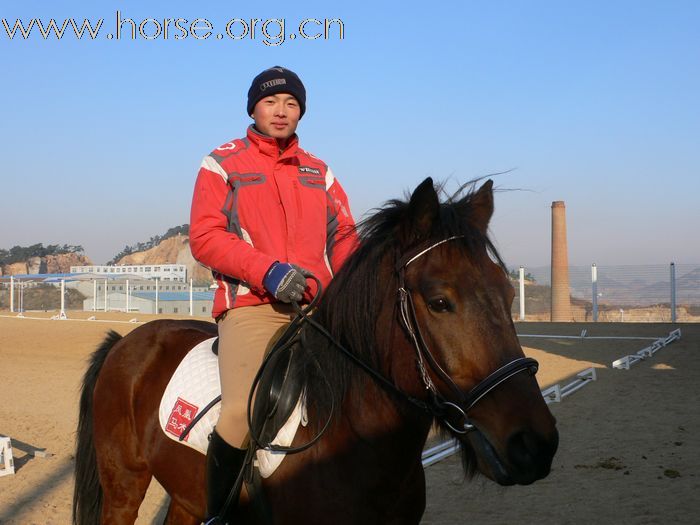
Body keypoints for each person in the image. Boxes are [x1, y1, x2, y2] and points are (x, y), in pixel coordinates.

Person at [189, 66, 357, 523]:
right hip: (252, 307)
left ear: (301, 111)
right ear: (253, 108)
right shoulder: (221, 163)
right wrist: (268, 271)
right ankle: (218, 515)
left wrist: (344, 288)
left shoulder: (319, 170)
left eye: (291, 103)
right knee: (242, 414)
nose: (281, 111)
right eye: (270, 102)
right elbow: (204, 236)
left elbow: (344, 234)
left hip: (317, 308)